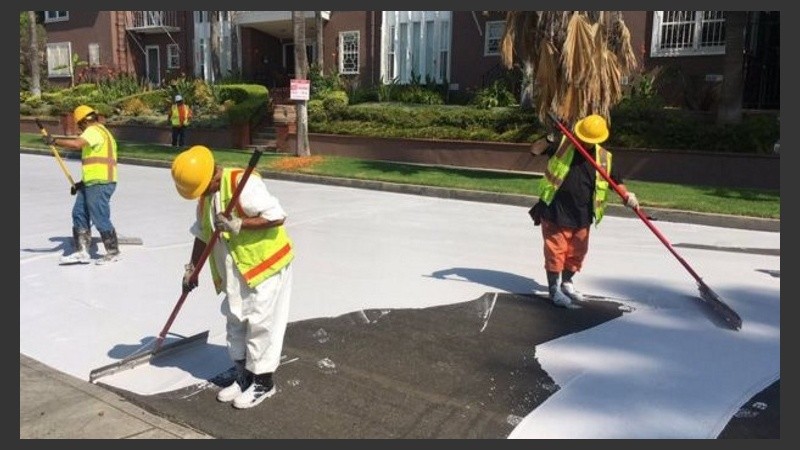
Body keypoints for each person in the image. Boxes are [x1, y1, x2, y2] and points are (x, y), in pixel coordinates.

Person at [171, 145, 294, 409]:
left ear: (213, 175)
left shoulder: (242, 183)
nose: (201, 194)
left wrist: (239, 223)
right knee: (235, 319)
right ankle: (243, 375)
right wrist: (192, 268)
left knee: (260, 323)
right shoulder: (205, 197)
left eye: (203, 188)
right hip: (235, 271)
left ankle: (263, 382)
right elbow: (202, 233)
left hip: (265, 266)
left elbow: (277, 216)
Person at [531, 114, 639, 308]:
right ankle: (554, 290)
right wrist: (550, 137)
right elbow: (534, 150)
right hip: (555, 209)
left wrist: (627, 196)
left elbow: (615, 181)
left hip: (583, 213)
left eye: (590, 140)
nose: (586, 143)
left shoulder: (604, 157)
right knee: (556, 252)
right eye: (583, 138)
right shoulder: (562, 145)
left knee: (577, 253)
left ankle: (566, 283)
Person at [42, 104, 121, 265]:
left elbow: (77, 144)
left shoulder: (93, 130)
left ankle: (113, 252)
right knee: (79, 213)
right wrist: (81, 184)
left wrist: (55, 141)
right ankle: (82, 252)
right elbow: (95, 162)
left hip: (100, 182)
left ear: (84, 121)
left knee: (99, 216)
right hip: (92, 182)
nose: (80, 128)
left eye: (79, 125)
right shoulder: (102, 132)